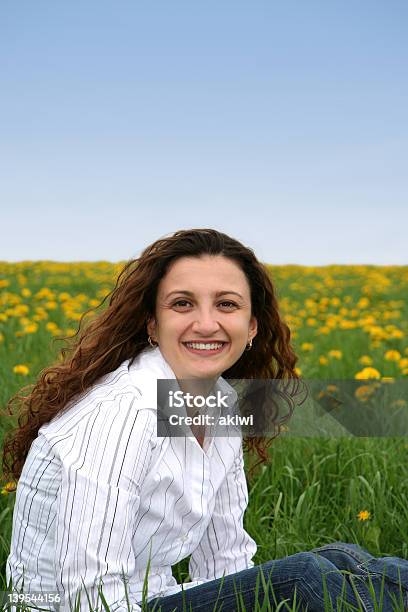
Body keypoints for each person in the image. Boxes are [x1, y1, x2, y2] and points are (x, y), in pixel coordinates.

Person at [2, 228, 408, 612]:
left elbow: (226, 561)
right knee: (306, 577)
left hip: (151, 596)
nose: (206, 324)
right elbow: (88, 597)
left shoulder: (222, 404)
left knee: (342, 558)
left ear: (251, 327)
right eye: (182, 303)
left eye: (226, 304)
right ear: (152, 325)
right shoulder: (123, 412)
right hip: (76, 606)